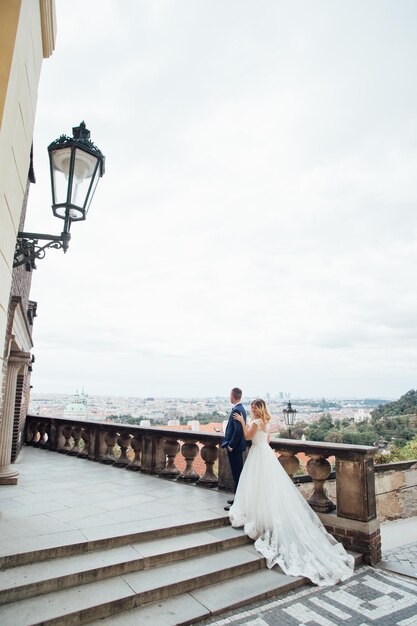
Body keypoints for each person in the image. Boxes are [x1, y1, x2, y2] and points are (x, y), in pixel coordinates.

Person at [230, 398, 354, 587]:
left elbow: (247, 437)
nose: (252, 410)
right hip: (265, 454)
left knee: (257, 485)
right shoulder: (267, 422)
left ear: (258, 409)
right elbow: (267, 440)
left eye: (254, 407)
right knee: (267, 487)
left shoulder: (255, 422)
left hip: (257, 454)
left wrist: (241, 422)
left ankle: (258, 515)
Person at [221, 387, 247, 511]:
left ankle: (237, 502)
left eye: (230, 395)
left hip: (235, 448)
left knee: (237, 475)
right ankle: (237, 498)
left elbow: (238, 430)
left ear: (233, 396)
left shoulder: (237, 410)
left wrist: (231, 445)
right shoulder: (241, 408)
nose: (229, 397)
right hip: (238, 447)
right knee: (237, 474)